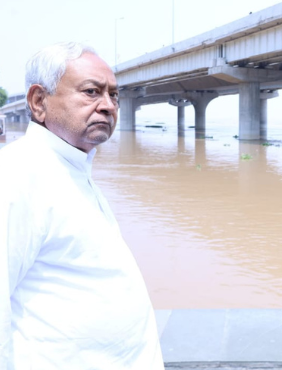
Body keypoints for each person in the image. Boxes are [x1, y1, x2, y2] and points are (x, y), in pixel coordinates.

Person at [0, 42, 164, 369]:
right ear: (38, 101)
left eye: (114, 95)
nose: (108, 106)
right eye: (92, 92)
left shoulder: (73, 168)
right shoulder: (18, 177)